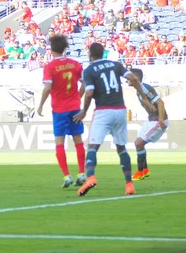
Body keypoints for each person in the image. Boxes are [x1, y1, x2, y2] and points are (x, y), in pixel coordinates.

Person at [73, 43, 152, 197]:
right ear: (103, 53)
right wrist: (143, 95)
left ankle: (90, 177)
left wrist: (83, 111)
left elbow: (89, 93)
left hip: (103, 110)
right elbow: (132, 78)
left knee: (92, 147)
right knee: (121, 148)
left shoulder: (88, 70)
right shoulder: (116, 65)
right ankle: (129, 184)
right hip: (120, 110)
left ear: (90, 55)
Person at [37, 35, 87, 188]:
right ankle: (81, 172)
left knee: (60, 142)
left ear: (51, 49)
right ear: (65, 48)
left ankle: (67, 176)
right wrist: (77, 97)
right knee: (77, 139)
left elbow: (47, 88)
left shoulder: (50, 67)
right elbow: (84, 84)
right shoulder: (75, 64)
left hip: (59, 109)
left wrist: (40, 105)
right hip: (74, 107)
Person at [128, 69, 168, 181]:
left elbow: (160, 102)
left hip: (158, 120)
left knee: (139, 143)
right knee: (138, 144)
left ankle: (140, 172)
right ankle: (145, 170)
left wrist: (161, 119)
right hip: (151, 119)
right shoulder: (139, 90)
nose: (127, 79)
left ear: (135, 78)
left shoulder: (144, 88)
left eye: (129, 76)